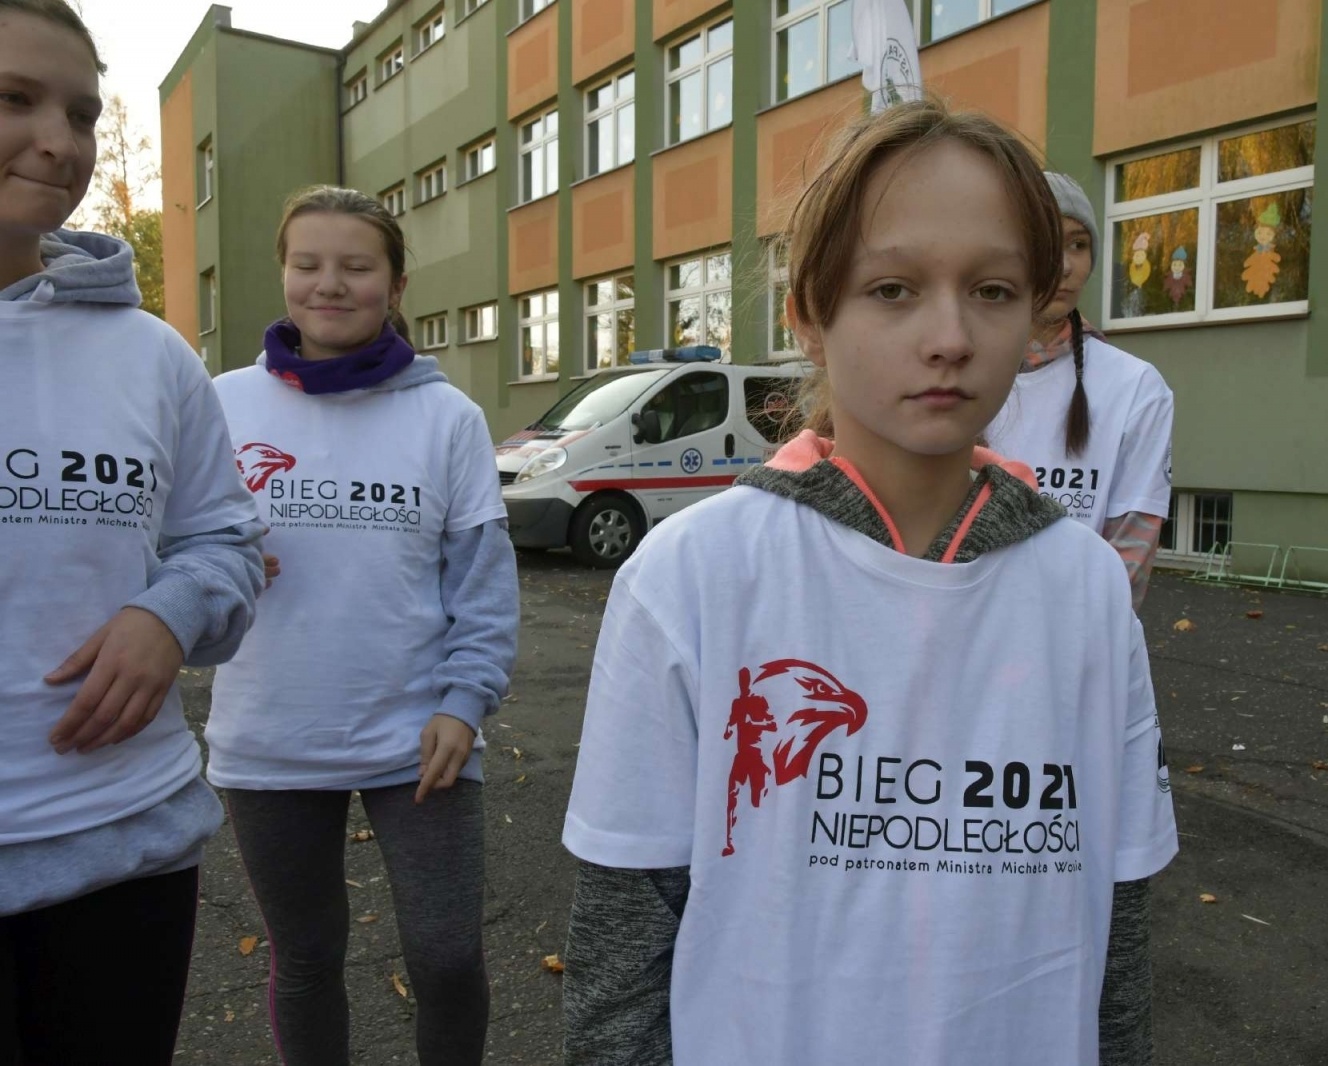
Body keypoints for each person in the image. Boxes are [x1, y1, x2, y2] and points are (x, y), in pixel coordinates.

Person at [561, 98, 1177, 1066]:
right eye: (893, 289)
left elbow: (1119, 920)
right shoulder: (694, 576)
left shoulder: (1085, 591)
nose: (949, 337)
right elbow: (623, 938)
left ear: (1036, 312)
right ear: (809, 312)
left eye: (992, 289)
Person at [0, 1, 265, 1061]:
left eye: (81, 110)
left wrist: (169, 614)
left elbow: (226, 544)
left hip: (122, 855)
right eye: (14, 98)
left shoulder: (150, 354)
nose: (60, 141)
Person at [206, 186, 518, 1066]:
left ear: (395, 283)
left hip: (420, 737)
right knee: (306, 958)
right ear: (285, 275)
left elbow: (484, 583)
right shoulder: (224, 404)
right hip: (271, 740)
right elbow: (170, 548)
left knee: (448, 957)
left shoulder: (445, 417)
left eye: (355, 266)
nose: (328, 285)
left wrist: (465, 700)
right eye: (308, 264)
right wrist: (205, 571)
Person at [984, 172, 1174, 611]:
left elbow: (1130, 556)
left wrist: (1077, 645)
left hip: (1073, 648)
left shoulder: (1136, 387)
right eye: (1047, 243)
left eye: (1078, 244)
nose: (1066, 265)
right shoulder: (959, 371)